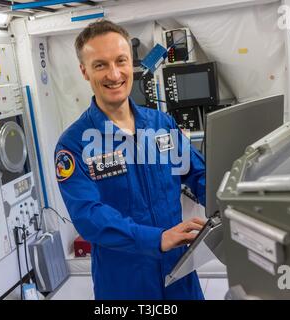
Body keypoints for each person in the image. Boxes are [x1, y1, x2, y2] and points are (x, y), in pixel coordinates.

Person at [55, 20, 207, 300]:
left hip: (179, 273)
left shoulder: (161, 124)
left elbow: (198, 173)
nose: (114, 74)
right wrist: (156, 239)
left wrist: (231, 206)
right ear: (84, 71)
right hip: (124, 283)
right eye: (100, 65)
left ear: (131, 63)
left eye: (120, 61)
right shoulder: (73, 144)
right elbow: (88, 216)